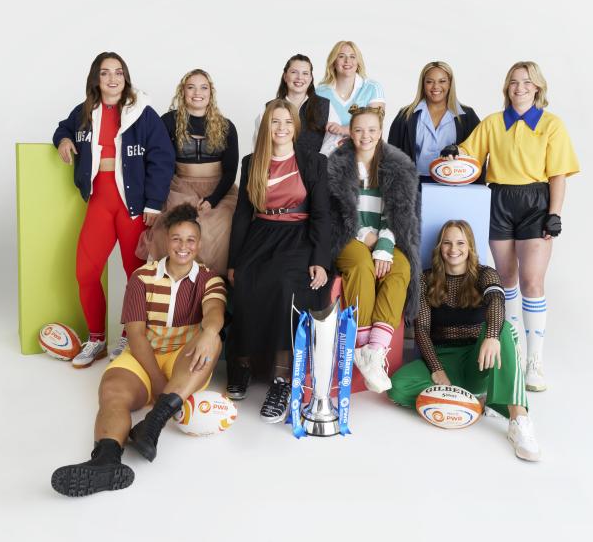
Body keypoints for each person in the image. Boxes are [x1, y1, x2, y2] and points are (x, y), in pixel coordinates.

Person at [51, 204, 227, 496]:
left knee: (213, 340)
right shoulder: (142, 278)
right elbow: (135, 334)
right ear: (166, 241)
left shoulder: (210, 279)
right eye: (176, 239)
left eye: (190, 240)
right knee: (112, 392)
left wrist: (210, 331)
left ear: (199, 244)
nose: (183, 246)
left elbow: (214, 311)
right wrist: (157, 382)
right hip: (145, 352)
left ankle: (153, 422)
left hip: (183, 357)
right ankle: (106, 460)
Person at [455, 61, 579, 391]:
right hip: (499, 200)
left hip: (535, 202)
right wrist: (455, 153)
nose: (519, 87)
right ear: (506, 87)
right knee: (505, 279)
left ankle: (534, 361)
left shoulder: (551, 125)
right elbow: (467, 155)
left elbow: (558, 174)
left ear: (538, 87)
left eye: (526, 82)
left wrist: (555, 213)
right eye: (513, 82)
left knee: (532, 282)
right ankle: (511, 353)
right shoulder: (494, 123)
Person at [53, 52, 175, 368]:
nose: (112, 79)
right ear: (96, 78)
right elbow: (61, 128)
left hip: (132, 206)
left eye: (118, 72)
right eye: (105, 73)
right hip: (100, 202)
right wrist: (64, 139)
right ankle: (96, 339)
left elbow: (162, 157)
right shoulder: (83, 112)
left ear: (125, 77)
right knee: (85, 271)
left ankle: (129, 336)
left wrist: (153, 202)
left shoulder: (142, 113)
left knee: (136, 276)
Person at [387, 220, 540, 461]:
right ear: (439, 247)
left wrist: (490, 336)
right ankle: (474, 399)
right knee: (397, 386)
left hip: (477, 358)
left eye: (460, 242)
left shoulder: (485, 274)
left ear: (470, 246)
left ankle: (518, 419)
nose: (453, 249)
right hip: (443, 359)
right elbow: (423, 331)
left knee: (505, 329)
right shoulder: (426, 279)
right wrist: (437, 371)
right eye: (447, 243)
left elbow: (497, 304)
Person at [225, 100, 330, 421]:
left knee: (286, 285)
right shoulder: (252, 161)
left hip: (297, 235)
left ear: (295, 127)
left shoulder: (313, 162)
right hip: (261, 233)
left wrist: (320, 259)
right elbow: (243, 215)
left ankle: (282, 380)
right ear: (266, 126)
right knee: (245, 283)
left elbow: (322, 214)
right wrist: (234, 261)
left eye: (287, 122)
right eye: (274, 122)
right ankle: (241, 366)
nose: (281, 128)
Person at [327, 105, 420, 392]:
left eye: (371, 130)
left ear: (380, 132)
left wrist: (384, 245)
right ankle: (361, 342)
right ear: (350, 132)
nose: (365, 135)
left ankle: (374, 351)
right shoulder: (336, 165)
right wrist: (366, 238)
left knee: (401, 265)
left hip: (384, 235)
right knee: (361, 265)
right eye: (358, 129)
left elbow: (400, 213)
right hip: (347, 236)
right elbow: (336, 213)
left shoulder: (399, 166)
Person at [136, 69, 238, 275]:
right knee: (180, 222)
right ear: (183, 92)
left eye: (203, 87)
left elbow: (231, 170)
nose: (197, 92)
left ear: (211, 93)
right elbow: (159, 159)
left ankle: (212, 283)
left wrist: (213, 199)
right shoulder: (168, 121)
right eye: (191, 87)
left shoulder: (226, 126)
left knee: (222, 223)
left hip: (219, 189)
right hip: (179, 186)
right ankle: (177, 281)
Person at [388, 61, 483, 182]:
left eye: (442, 81)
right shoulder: (405, 116)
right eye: (429, 81)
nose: (435, 87)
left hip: (454, 184)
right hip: (414, 185)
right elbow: (391, 156)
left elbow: (479, 153)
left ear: (450, 84)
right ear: (423, 84)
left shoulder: (467, 116)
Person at [315, 40, 385, 156]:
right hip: (328, 158)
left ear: (358, 62)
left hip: (364, 157)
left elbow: (376, 124)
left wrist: (343, 130)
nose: (347, 61)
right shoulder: (320, 92)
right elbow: (314, 129)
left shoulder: (372, 88)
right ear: (333, 62)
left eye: (352, 56)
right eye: (341, 56)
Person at [251, 54, 329, 154]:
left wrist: (317, 163)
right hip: (277, 168)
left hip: (314, 168)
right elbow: (258, 146)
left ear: (310, 79)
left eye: (305, 73)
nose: (299, 77)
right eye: (294, 72)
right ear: (285, 76)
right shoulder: (269, 108)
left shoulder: (326, 106)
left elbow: (331, 143)